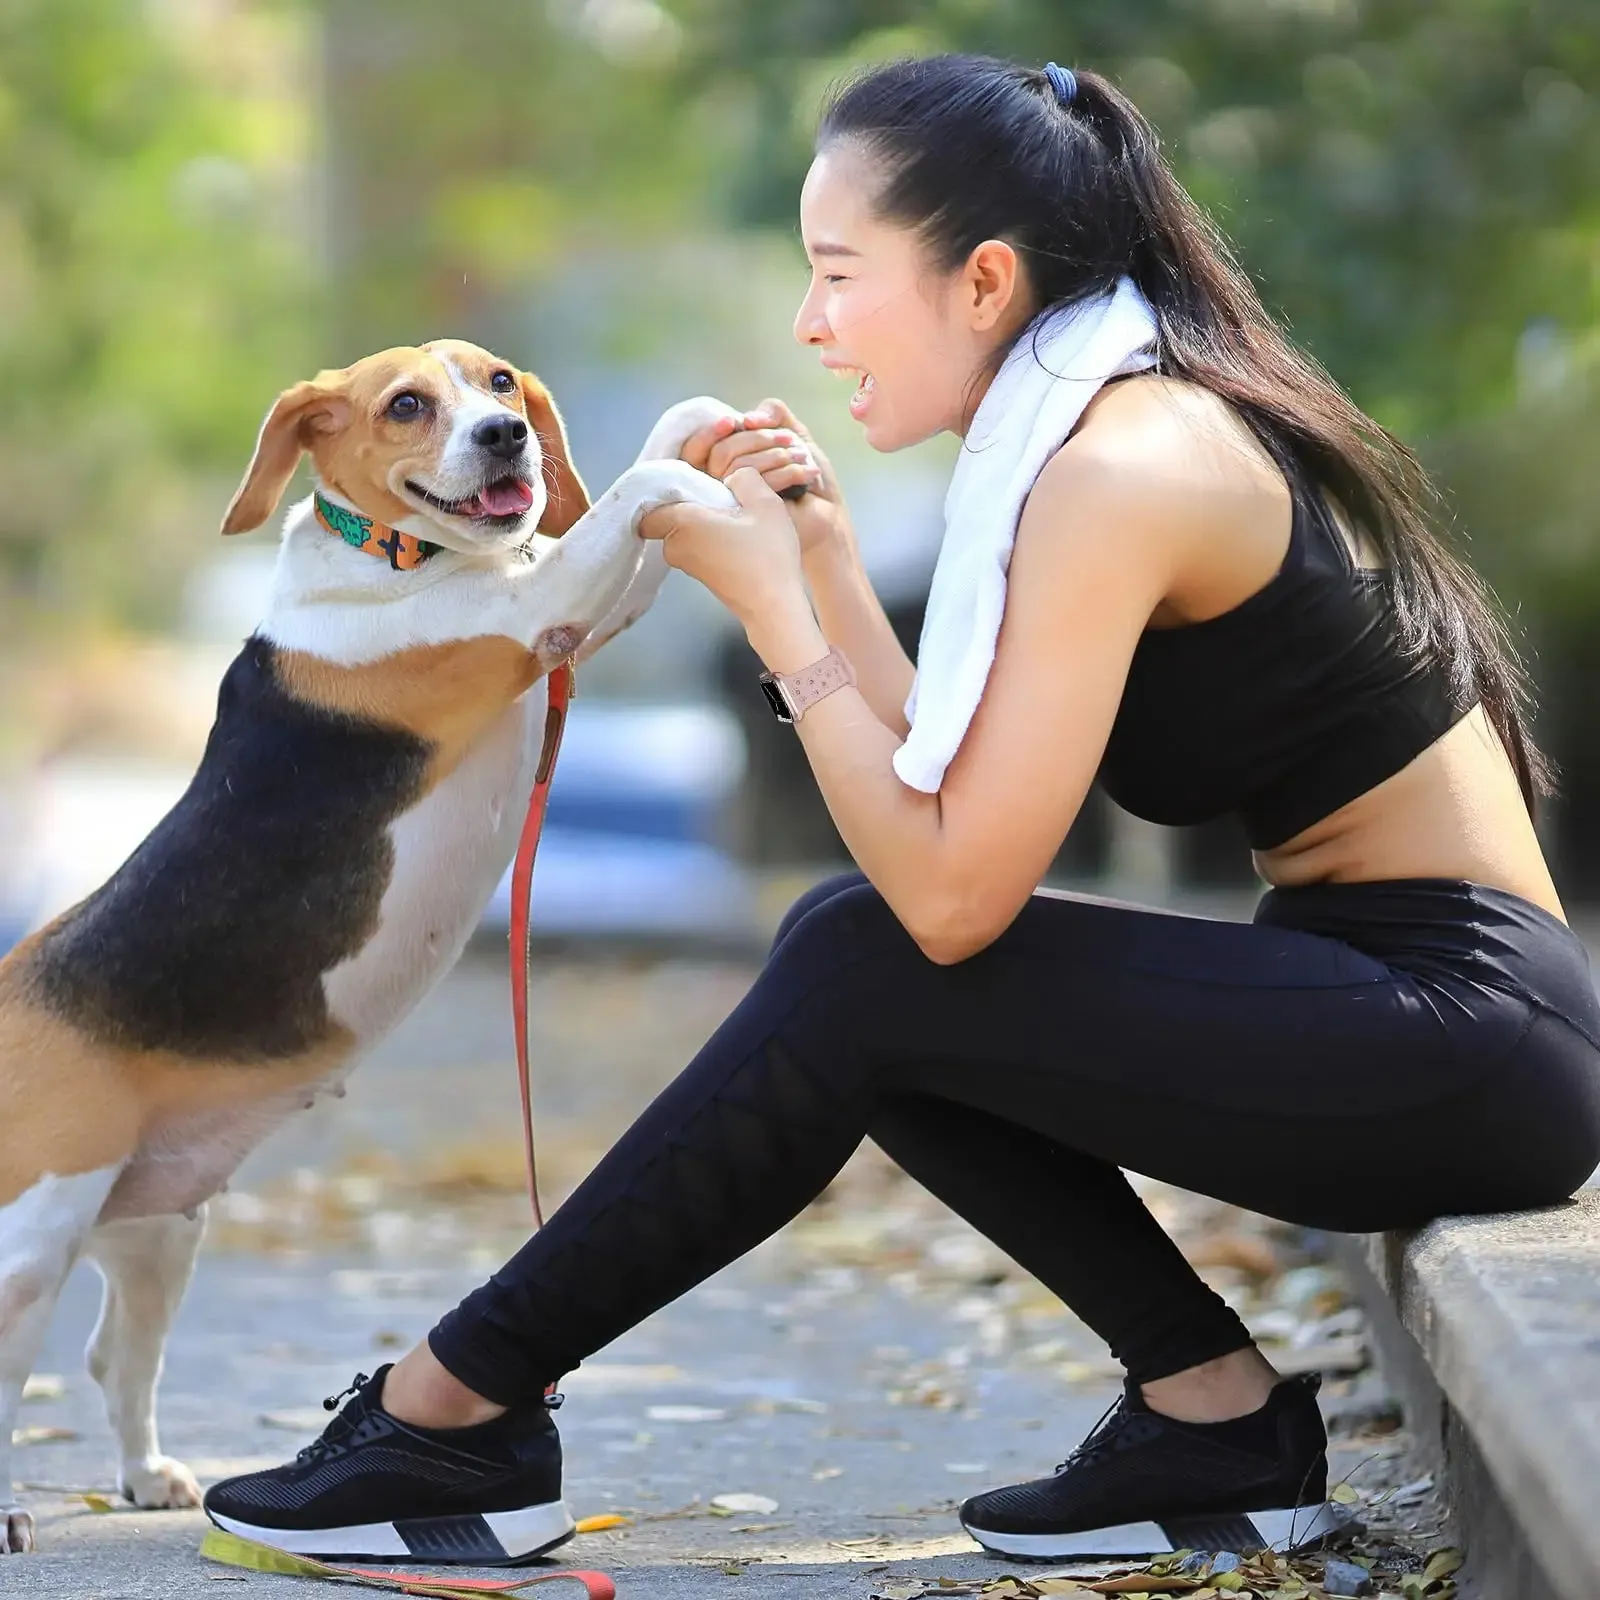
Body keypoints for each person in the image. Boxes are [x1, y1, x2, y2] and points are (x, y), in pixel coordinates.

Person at [205, 55, 1600, 1566]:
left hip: (1461, 1032)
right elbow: (939, 800)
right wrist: (815, 559)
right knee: (853, 948)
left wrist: (780, 627)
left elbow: (946, 898)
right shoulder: (1105, 431)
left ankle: (451, 1412)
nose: (810, 324)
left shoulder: (1128, 465)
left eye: (837, 274)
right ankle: (1209, 1413)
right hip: (1403, 1008)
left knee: (869, 958)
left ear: (984, 280)